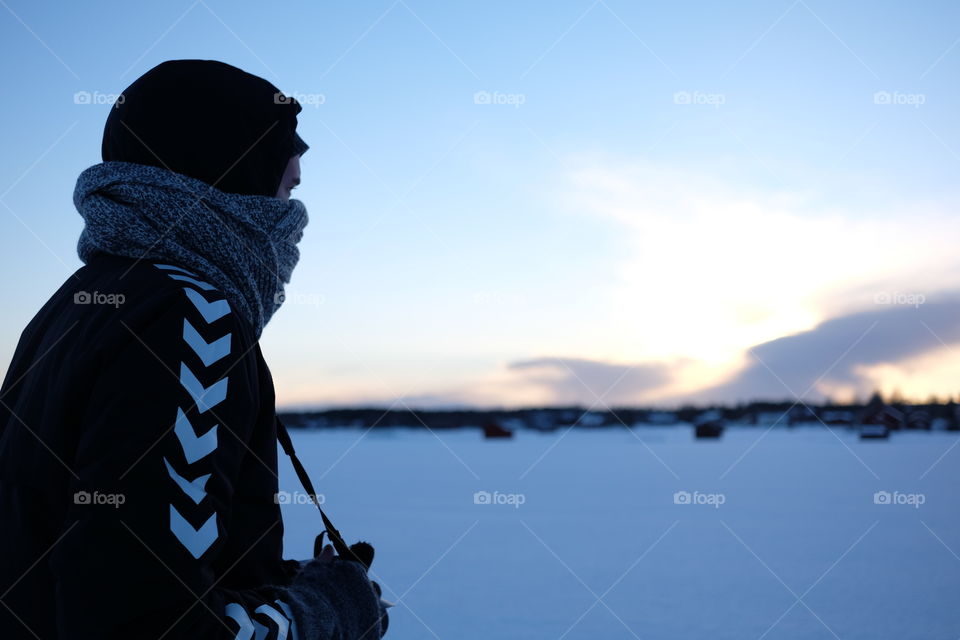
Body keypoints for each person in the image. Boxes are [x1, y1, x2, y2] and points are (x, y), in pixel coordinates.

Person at [0, 59, 388, 639]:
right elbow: (149, 622)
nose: (294, 215)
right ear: (231, 178)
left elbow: (86, 552)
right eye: (283, 192)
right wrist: (321, 615)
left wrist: (286, 581)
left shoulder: (78, 304)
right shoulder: (190, 315)